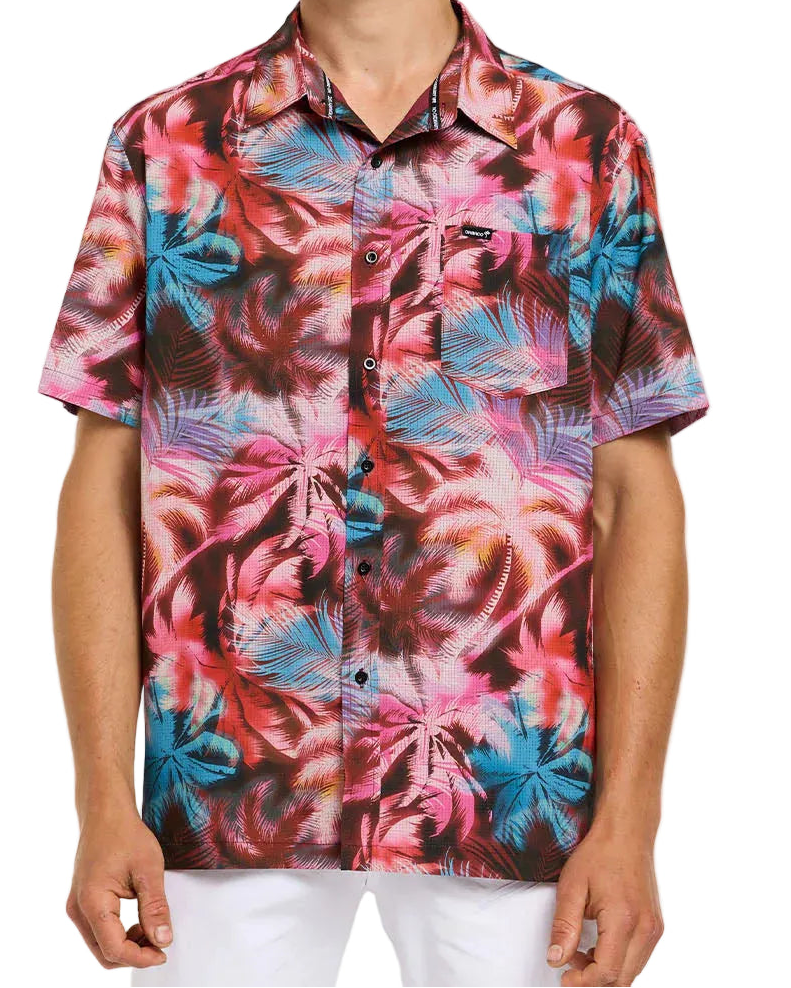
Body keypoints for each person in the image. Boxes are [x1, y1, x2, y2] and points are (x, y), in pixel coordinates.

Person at [39, 0, 709, 985]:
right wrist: (100, 798)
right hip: (230, 786)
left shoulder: (582, 146)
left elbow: (631, 498)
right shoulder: (166, 145)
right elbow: (104, 486)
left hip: (503, 795)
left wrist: (630, 822)